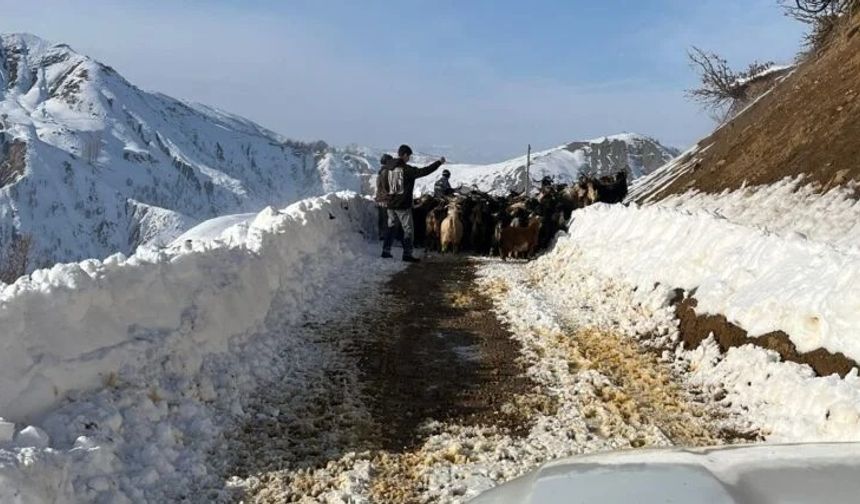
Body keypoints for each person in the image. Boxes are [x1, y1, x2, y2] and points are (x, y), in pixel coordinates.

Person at [382, 144, 446, 262]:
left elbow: (384, 185)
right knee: (408, 230)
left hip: (390, 205)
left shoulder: (387, 169)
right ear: (405, 155)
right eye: (409, 156)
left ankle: (386, 251)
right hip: (403, 205)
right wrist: (438, 163)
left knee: (391, 228)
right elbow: (424, 171)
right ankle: (407, 254)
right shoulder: (406, 170)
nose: (409, 158)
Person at [374, 153, 394, 240]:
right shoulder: (386, 172)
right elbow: (387, 186)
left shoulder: (381, 172)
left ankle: (382, 234)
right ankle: (386, 236)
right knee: (387, 218)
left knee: (382, 218)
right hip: (385, 199)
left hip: (381, 198)